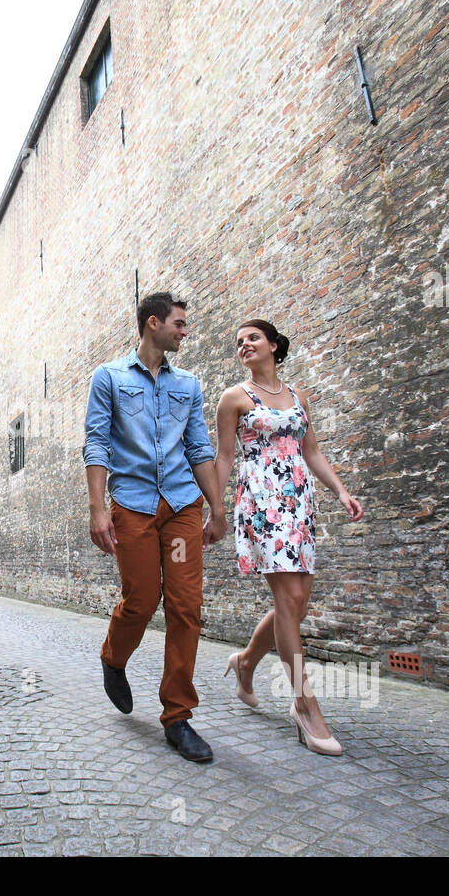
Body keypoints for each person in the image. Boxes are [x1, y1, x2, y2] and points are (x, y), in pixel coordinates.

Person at [209, 320, 363, 755]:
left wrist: (341, 491)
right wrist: (215, 508)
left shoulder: (298, 398)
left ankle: (244, 662)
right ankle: (304, 703)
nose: (244, 345)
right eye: (238, 341)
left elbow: (311, 451)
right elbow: (223, 456)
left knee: (295, 606)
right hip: (260, 503)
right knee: (287, 602)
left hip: (299, 504)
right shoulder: (234, 398)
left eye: (253, 338)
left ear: (274, 346)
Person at [83, 292, 226, 762]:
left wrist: (217, 507)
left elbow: (199, 448)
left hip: (182, 506)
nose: (185, 332)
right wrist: (98, 508)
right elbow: (97, 443)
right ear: (153, 324)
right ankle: (113, 657)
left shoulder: (188, 384)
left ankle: (178, 717)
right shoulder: (109, 378)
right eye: (179, 324)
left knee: (186, 606)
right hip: (134, 505)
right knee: (142, 600)